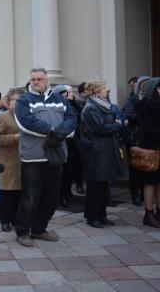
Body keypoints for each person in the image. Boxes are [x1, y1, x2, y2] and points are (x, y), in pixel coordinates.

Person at [14, 68, 77, 247]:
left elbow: (71, 119)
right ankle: (23, 231)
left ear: (46, 80)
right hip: (33, 157)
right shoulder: (24, 100)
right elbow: (25, 122)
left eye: (40, 79)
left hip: (55, 155)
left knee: (51, 197)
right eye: (33, 79)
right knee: (30, 197)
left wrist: (60, 134)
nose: (36, 82)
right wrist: (53, 132)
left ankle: (39, 229)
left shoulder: (61, 100)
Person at [78, 80, 124, 228]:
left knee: (103, 184)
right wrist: (117, 124)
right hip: (96, 151)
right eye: (104, 87)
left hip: (103, 149)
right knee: (95, 185)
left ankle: (101, 215)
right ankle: (93, 217)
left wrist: (113, 123)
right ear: (97, 91)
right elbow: (101, 128)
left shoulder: (101, 104)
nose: (107, 90)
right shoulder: (91, 107)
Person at [0, 88, 25, 232]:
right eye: (14, 100)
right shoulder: (3, 117)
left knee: (19, 192)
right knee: (7, 192)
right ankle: (5, 220)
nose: (16, 103)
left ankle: (16, 219)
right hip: (7, 160)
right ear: (9, 101)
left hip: (22, 160)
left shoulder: (26, 116)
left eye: (19, 100)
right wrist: (13, 138)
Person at [122, 76, 150, 207]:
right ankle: (135, 194)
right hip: (134, 137)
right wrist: (144, 115)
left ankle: (145, 194)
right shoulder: (131, 99)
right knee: (135, 168)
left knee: (147, 167)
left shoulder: (151, 98)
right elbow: (129, 114)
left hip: (146, 137)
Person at [136, 77, 160, 228]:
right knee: (150, 182)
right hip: (150, 148)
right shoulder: (144, 104)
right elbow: (147, 127)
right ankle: (148, 213)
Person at [53, 85, 81, 209]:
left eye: (67, 94)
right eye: (65, 95)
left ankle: (67, 193)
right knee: (62, 172)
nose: (68, 96)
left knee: (69, 170)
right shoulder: (55, 108)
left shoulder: (70, 106)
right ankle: (60, 197)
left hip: (71, 141)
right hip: (62, 141)